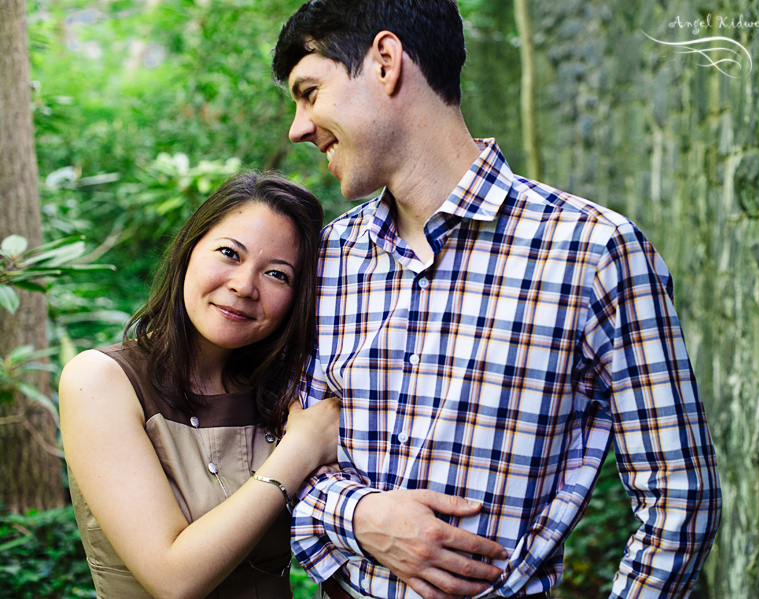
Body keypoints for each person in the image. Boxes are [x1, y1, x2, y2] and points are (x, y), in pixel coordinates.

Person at [271, 1, 722, 598]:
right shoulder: (328, 257)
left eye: (310, 92)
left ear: (385, 62)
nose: (298, 128)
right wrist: (359, 516)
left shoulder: (593, 251)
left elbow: (679, 496)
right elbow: (288, 451)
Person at [60, 172, 340, 599]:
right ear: (189, 249)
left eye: (278, 275)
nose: (245, 287)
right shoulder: (101, 381)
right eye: (229, 253)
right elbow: (174, 579)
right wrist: (298, 451)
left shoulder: (290, 390)